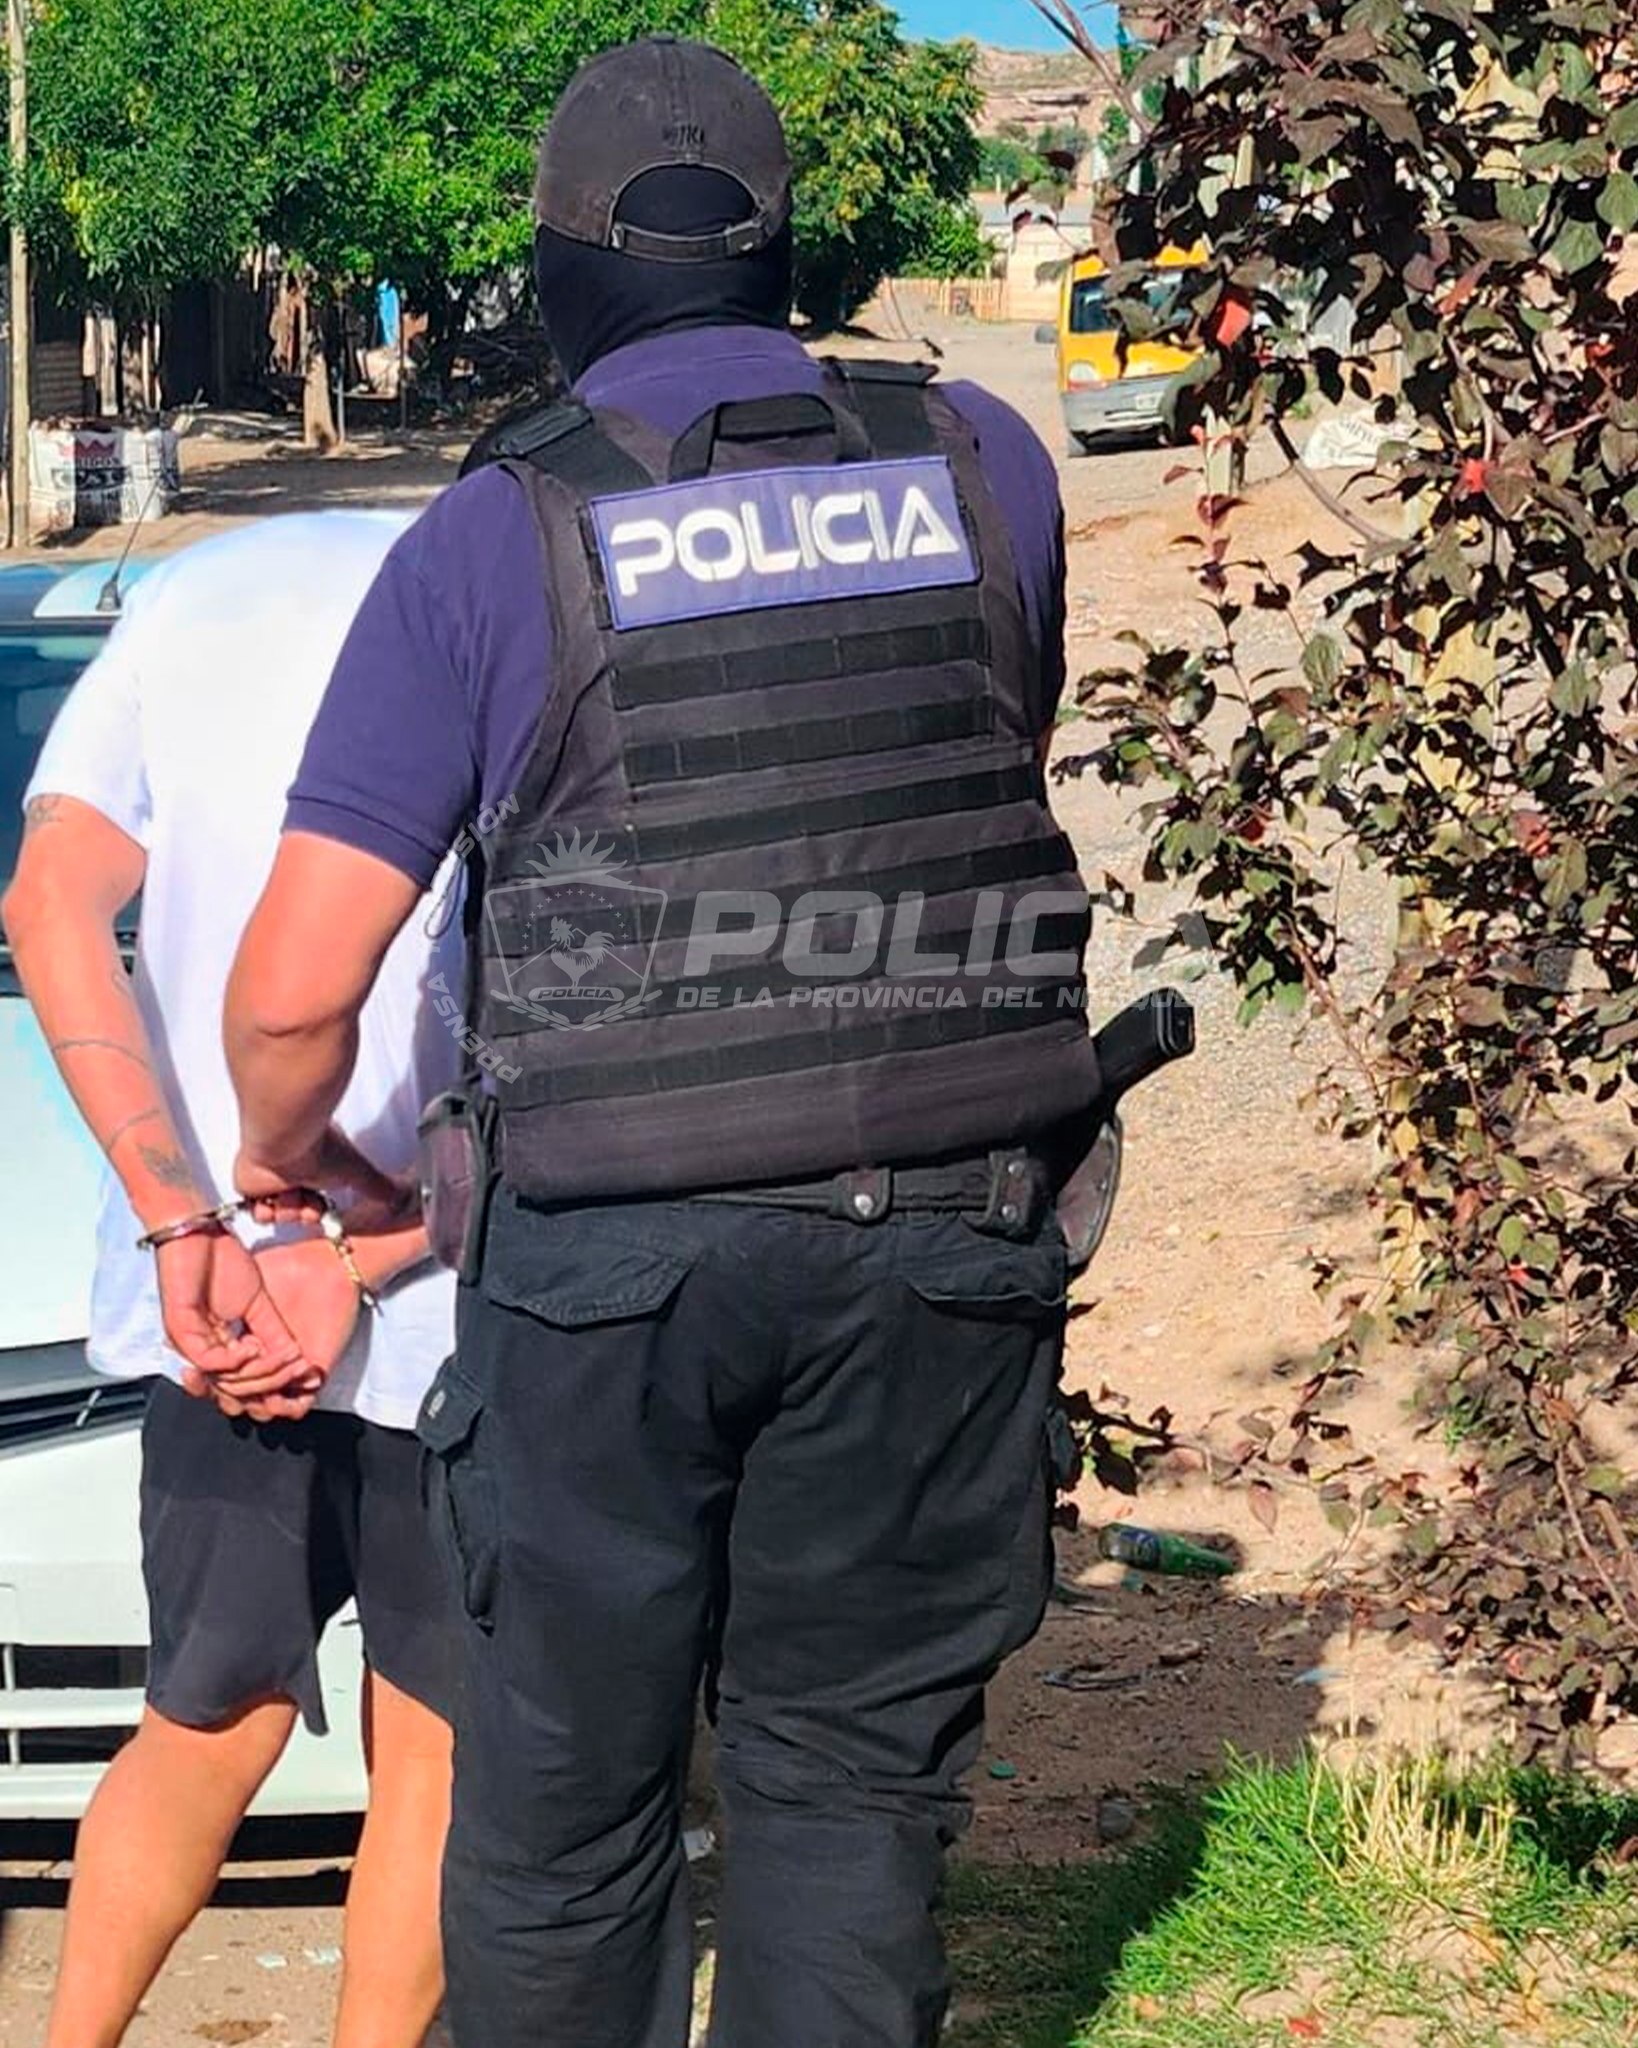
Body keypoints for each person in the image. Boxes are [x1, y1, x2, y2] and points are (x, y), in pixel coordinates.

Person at [223, 36, 1099, 2048]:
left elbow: (290, 988)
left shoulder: (499, 527)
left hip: (609, 1261)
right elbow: (968, 775)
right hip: (945, 1234)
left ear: (560, 267)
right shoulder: (987, 462)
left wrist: (294, 1167)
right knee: (850, 1796)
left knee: (565, 1825)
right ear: (781, 249)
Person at [2, 512, 462, 2048]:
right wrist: (360, 1249)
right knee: (435, 1752)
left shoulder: (191, 591)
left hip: (215, 1299)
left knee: (201, 1720)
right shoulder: (515, 575)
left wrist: (174, 1210)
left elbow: (48, 899)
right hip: (455, 1298)